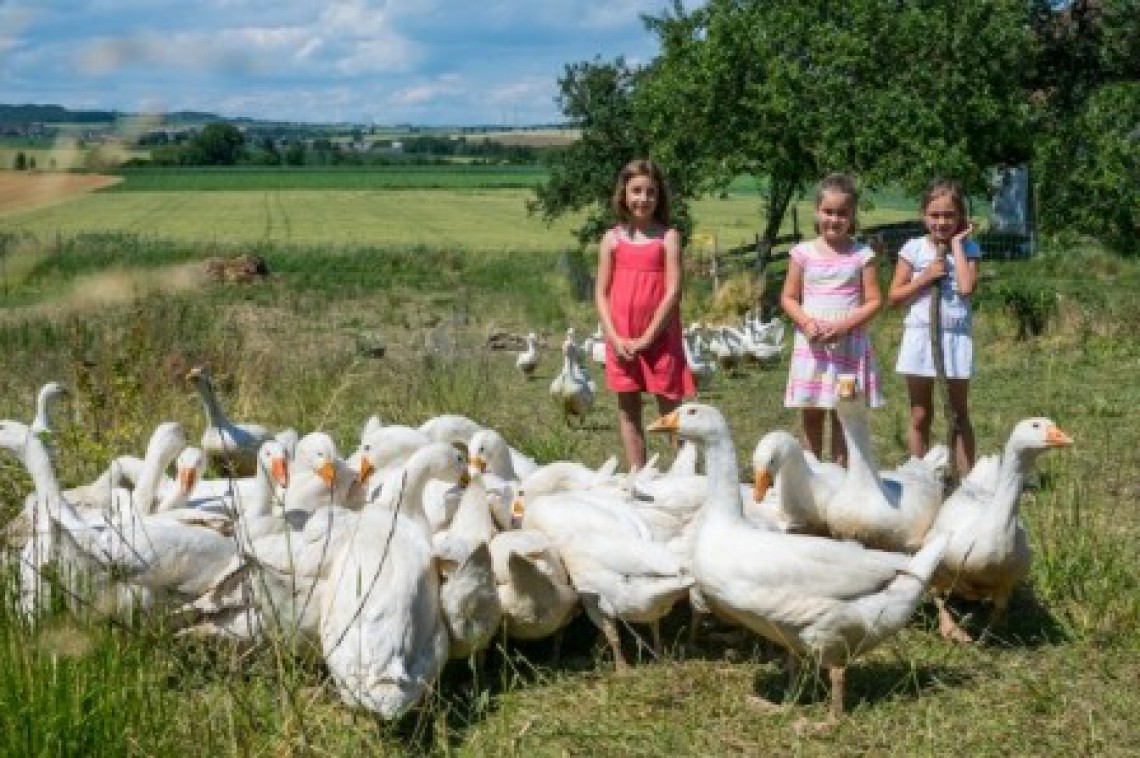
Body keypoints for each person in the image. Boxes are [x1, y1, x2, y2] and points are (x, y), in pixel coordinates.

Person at [596, 159, 696, 471]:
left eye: (650, 192)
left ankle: (685, 474)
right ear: (623, 194)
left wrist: (648, 337)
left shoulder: (668, 238)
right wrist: (614, 337)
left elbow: (673, 292)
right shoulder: (612, 239)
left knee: (670, 412)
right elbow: (601, 293)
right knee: (628, 411)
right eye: (636, 191)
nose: (643, 199)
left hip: (659, 339)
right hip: (621, 339)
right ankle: (639, 476)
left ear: (659, 197)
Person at [781, 173, 884, 465]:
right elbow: (788, 297)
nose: (834, 219)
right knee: (812, 412)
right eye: (828, 211)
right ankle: (810, 474)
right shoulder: (802, 254)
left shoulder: (862, 255)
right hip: (812, 344)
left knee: (844, 413)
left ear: (852, 216)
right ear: (817, 211)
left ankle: (840, 476)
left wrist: (843, 326)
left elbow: (875, 300)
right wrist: (807, 323)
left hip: (847, 343)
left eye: (842, 213)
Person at [888, 178, 980, 476]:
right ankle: (921, 477)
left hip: (954, 338)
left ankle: (967, 482)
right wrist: (925, 277)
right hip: (920, 336)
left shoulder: (967, 247)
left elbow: (966, 288)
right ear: (924, 215)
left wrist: (956, 246)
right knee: (919, 412)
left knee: (957, 412)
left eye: (950, 215)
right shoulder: (913, 249)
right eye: (935, 215)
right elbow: (895, 297)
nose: (942, 222)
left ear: (960, 217)